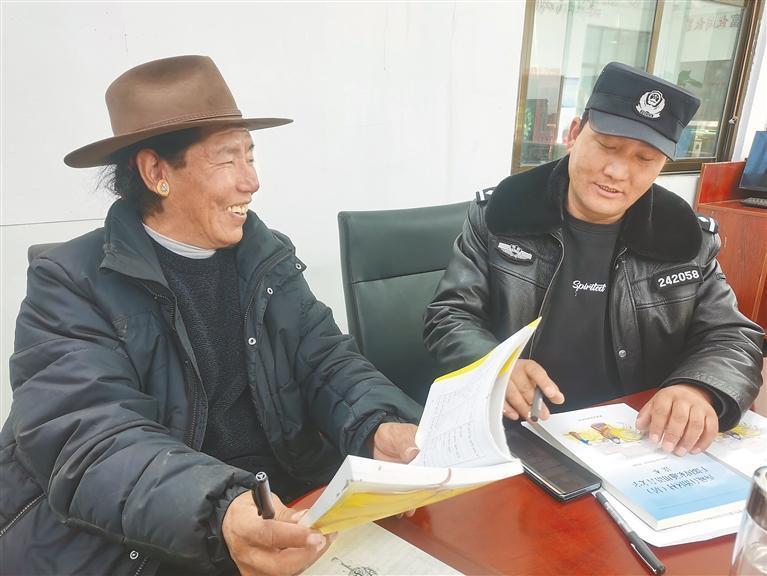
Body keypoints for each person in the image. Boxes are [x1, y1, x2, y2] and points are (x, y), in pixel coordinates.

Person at [0, 55, 422, 576]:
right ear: (157, 172)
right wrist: (221, 510)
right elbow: (92, 438)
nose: (252, 181)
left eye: (251, 155)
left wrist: (380, 423)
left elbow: (325, 360)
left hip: (284, 509)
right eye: (228, 160)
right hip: (156, 539)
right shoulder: (69, 282)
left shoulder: (264, 256)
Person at [424, 62, 764, 458]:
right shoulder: (502, 214)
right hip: (518, 425)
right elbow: (449, 316)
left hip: (635, 434)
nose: (617, 171)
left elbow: (732, 336)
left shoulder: (685, 237)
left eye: (645, 158)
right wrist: (496, 368)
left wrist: (698, 387)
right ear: (573, 134)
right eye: (607, 146)